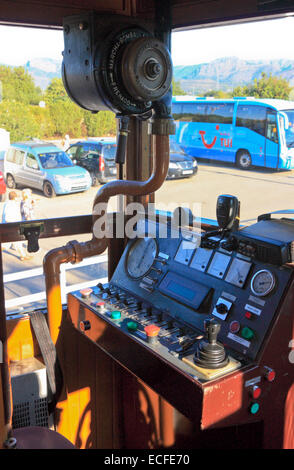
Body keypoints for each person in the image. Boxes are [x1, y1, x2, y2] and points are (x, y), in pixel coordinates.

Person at [2, 191, 29, 261]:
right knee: (17, 242)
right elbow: (8, 217)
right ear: (14, 197)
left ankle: (23, 255)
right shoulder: (11, 205)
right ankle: (23, 256)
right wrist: (13, 226)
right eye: (17, 197)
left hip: (10, 226)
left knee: (10, 242)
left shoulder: (8, 203)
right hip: (12, 226)